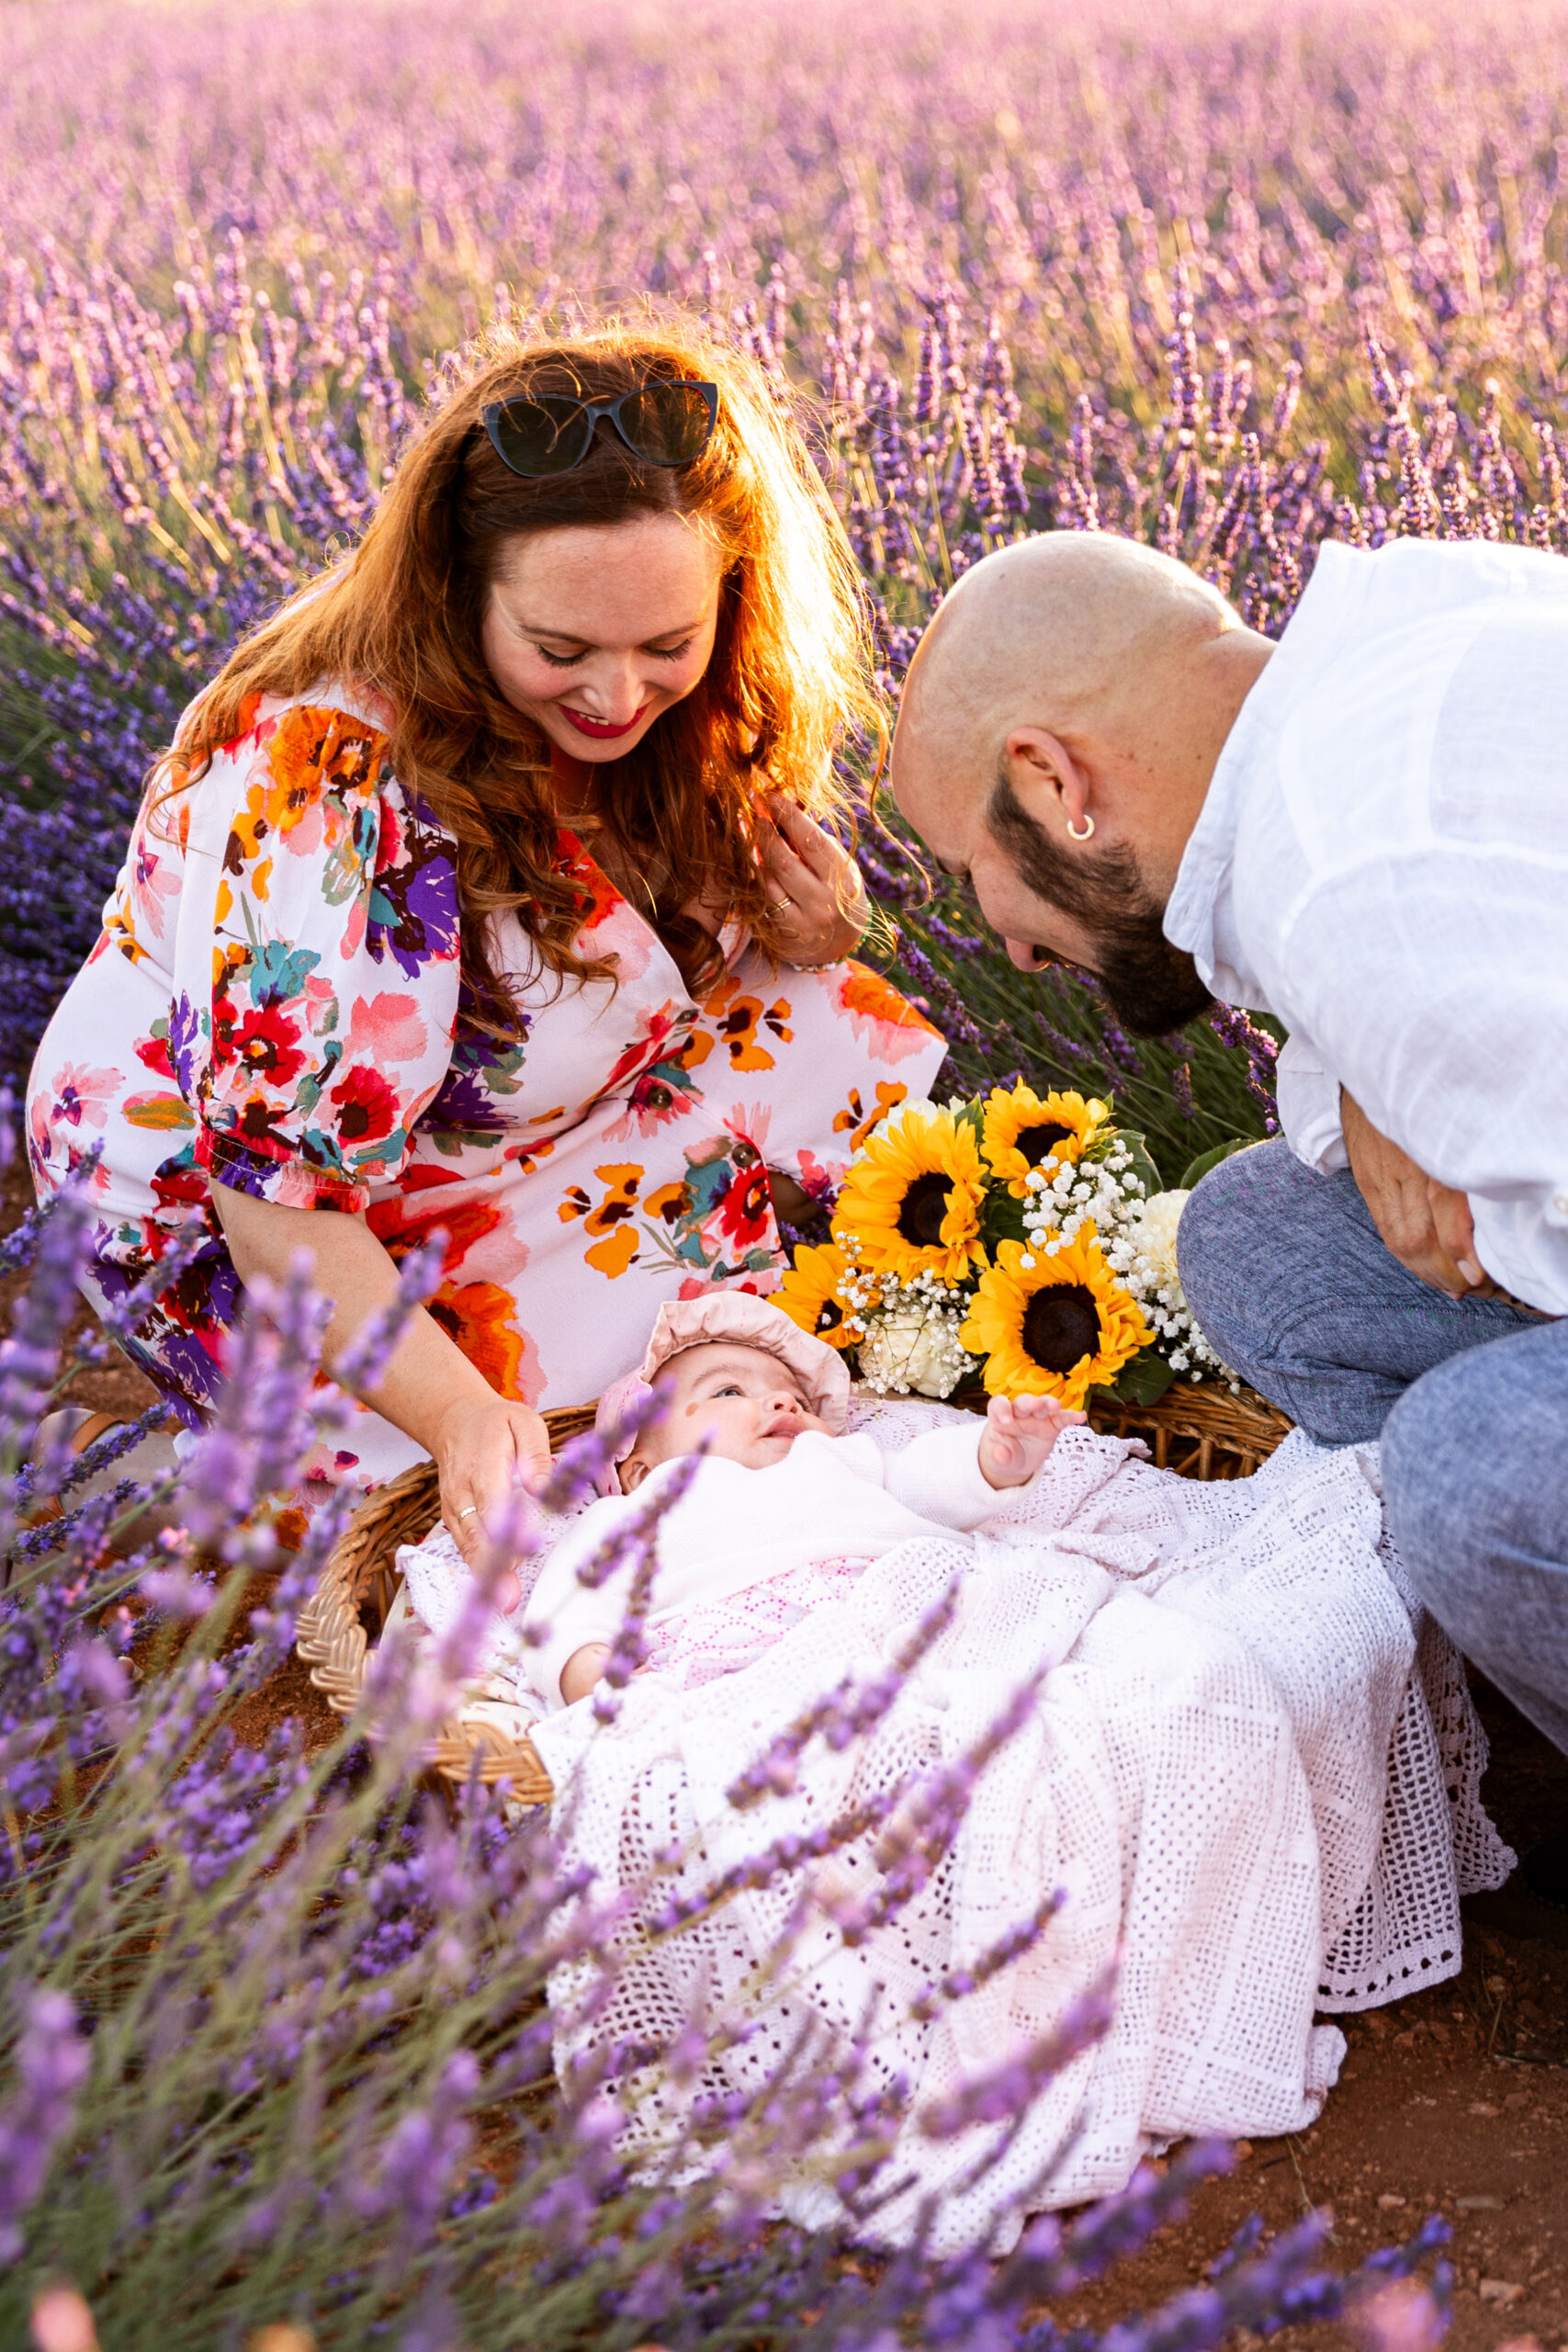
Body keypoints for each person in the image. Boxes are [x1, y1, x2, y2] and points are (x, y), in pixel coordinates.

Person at [25, 326, 946, 1554]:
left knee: (738, 1363)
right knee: (577, 1456)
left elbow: (680, 958)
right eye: (560, 652)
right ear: (458, 595)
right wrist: (458, 1408)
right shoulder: (326, 771)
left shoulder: (698, 696)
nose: (616, 699)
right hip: (241, 1199)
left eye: (666, 646)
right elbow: (273, 1199)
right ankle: (242, 1435)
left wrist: (822, 932)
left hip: (477, 1098)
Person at [886, 527, 1566, 1897]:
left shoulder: (1347, 880)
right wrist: (1363, 1080)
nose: (1007, 948)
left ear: (1051, 779)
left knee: (1469, 1469)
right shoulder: (1383, 657)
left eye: (976, 874)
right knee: (1252, 1236)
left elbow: (1400, 936)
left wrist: (1501, 1224)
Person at [517, 1292, 1080, 1707]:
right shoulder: (640, 1511)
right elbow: (570, 1601)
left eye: (792, 1395)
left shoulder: (840, 1459)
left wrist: (992, 1459)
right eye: (730, 1390)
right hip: (755, 1668)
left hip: (915, 1622)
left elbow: (922, 1484)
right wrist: (584, 1669)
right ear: (640, 1467)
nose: (783, 1404)